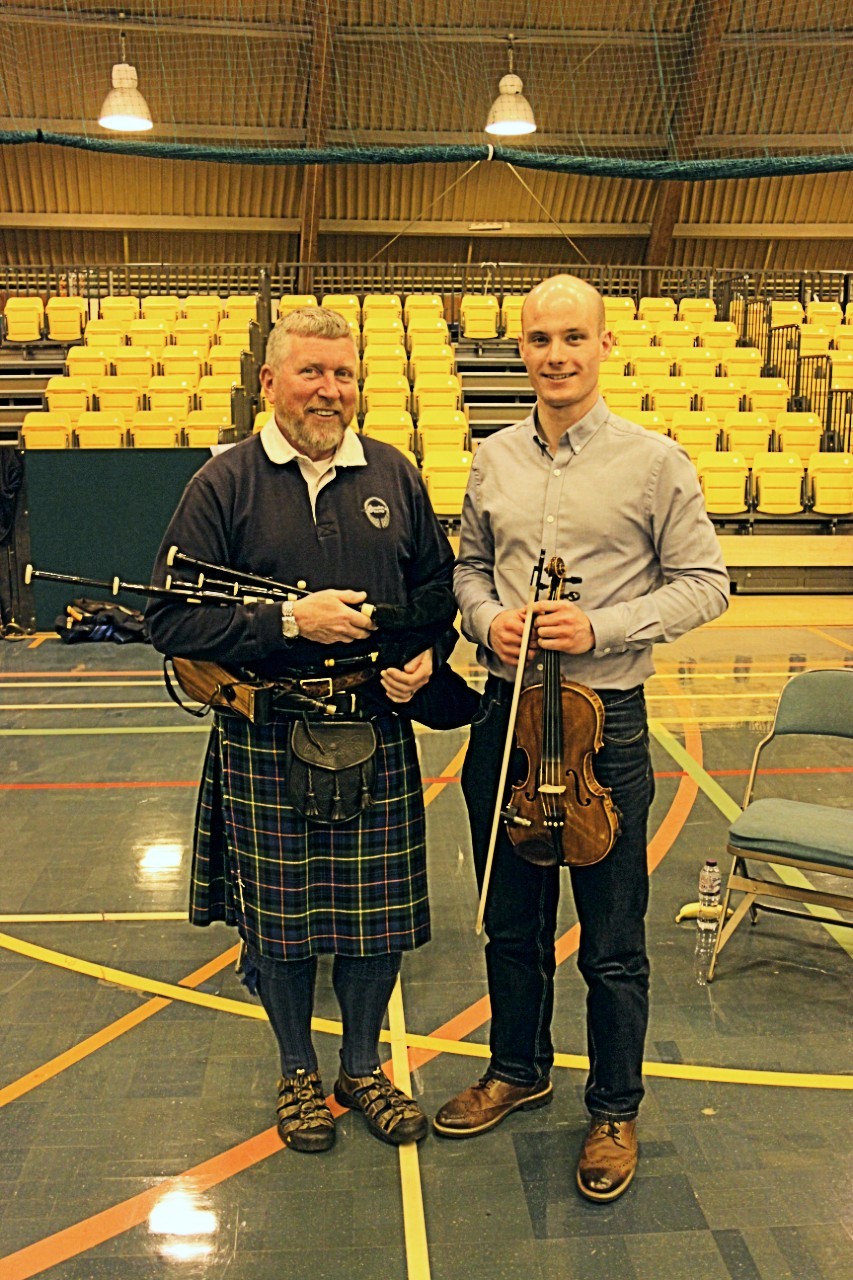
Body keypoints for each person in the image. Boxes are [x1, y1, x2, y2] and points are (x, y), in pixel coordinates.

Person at [147, 306, 474, 1154]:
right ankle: (296, 1069)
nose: (329, 391)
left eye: (343, 375)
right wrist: (289, 623)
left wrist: (425, 656)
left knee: (379, 920)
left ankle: (361, 1068)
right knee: (279, 923)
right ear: (269, 383)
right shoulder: (221, 484)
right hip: (267, 736)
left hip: (376, 727)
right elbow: (170, 620)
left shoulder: (395, 475)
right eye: (311, 373)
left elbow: (437, 593)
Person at [434, 275, 729, 1201]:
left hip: (609, 728)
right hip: (505, 718)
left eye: (571, 337)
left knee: (610, 941)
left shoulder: (655, 462)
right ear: (517, 348)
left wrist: (599, 627)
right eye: (537, 339)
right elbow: (469, 569)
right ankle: (517, 1070)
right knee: (510, 922)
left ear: (604, 346)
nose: (554, 354)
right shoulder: (491, 459)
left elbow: (705, 582)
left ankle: (612, 1107)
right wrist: (487, 622)